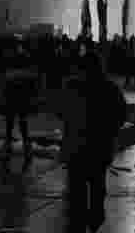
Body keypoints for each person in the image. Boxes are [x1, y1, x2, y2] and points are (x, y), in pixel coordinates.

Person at [53, 51, 127, 233]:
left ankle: (78, 223)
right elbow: (120, 116)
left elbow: (59, 111)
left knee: (76, 191)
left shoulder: (71, 88)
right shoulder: (110, 89)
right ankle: (95, 220)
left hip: (76, 149)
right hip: (99, 148)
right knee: (97, 186)